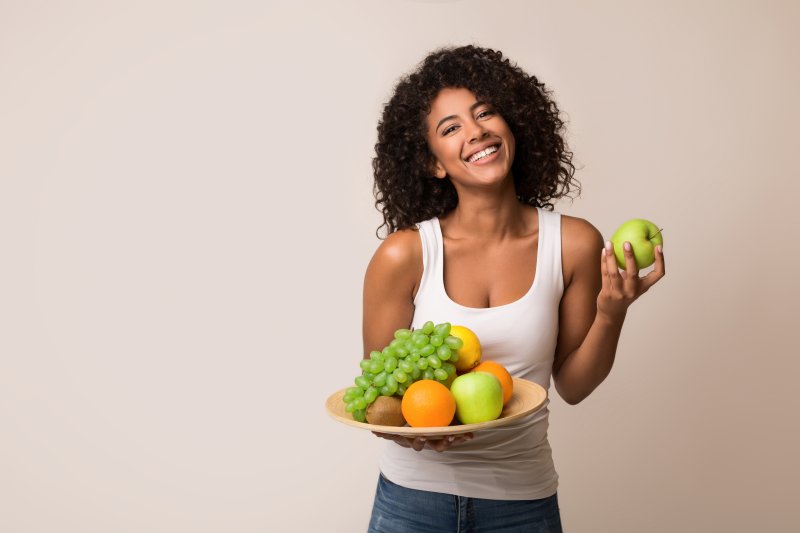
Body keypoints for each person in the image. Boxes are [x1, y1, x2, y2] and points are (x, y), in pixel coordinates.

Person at [361, 45, 665, 532]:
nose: (476, 130)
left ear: (513, 125)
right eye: (451, 127)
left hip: (522, 502)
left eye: (485, 113)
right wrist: (415, 433)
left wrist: (612, 312)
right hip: (412, 503)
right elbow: (378, 401)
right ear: (433, 162)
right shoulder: (404, 255)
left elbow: (574, 386)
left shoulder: (573, 243)